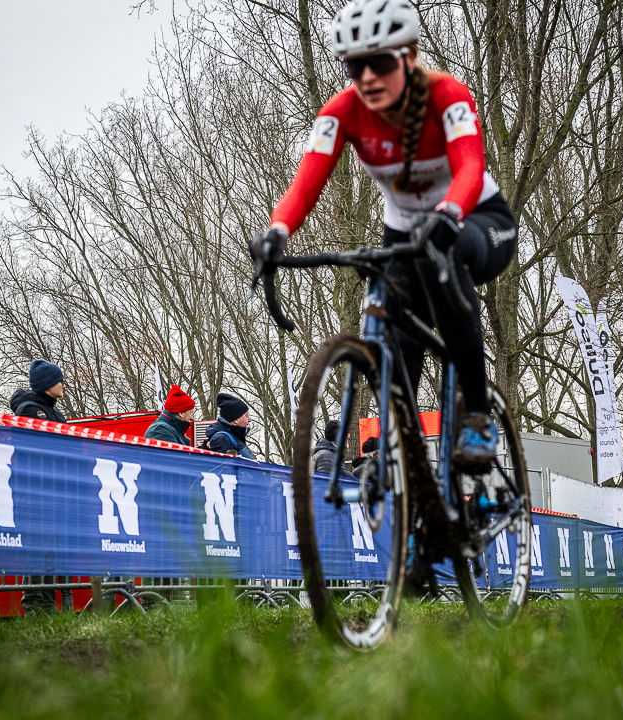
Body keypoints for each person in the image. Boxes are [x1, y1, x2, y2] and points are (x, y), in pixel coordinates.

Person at [249, 0, 518, 473]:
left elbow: (470, 166)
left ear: (409, 57)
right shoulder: (342, 112)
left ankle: (476, 413)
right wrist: (277, 231)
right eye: (355, 67)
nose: (368, 78)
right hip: (404, 230)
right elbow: (306, 183)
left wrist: (449, 212)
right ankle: (406, 453)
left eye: (379, 62)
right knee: (396, 330)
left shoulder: (446, 95)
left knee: (441, 261)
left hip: (475, 218)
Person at [9, 359, 73, 614]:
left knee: (51, 552)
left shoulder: (55, 412)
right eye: (60, 381)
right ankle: (36, 607)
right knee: (38, 551)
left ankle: (48, 607)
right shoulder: (29, 411)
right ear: (47, 385)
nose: (63, 385)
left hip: (55, 494)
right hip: (36, 495)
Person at [201, 392, 256, 460]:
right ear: (236, 420)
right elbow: (222, 465)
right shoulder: (222, 438)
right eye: (246, 415)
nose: (249, 420)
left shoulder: (232, 437)